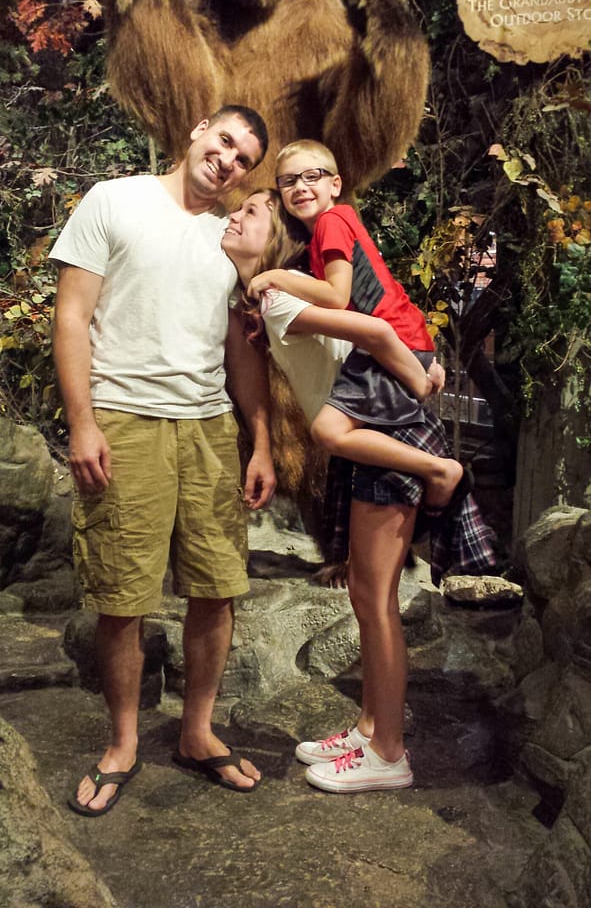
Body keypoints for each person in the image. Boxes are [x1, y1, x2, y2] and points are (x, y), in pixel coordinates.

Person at [222, 189, 496, 793]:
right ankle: (370, 729)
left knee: (375, 603)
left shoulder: (281, 295)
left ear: (271, 243)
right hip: (371, 430)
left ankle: (389, 754)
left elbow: (373, 329)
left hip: (386, 431)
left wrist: (416, 374)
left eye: (250, 212)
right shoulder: (269, 304)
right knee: (368, 600)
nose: (233, 216)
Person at [51, 105, 276, 814]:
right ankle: (122, 741)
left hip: (209, 427)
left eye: (243, 160)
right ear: (198, 128)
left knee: (216, 585)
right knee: (123, 594)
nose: (228, 161)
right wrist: (82, 422)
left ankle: (196, 731)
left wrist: (260, 439)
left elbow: (241, 350)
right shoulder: (115, 200)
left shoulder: (232, 238)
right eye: (226, 141)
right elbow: (71, 316)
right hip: (124, 419)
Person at [247, 139, 470, 515]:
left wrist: (275, 276)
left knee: (327, 431)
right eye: (288, 181)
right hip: (401, 341)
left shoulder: (332, 222)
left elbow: (335, 296)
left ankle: (440, 471)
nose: (300, 187)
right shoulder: (333, 227)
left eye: (311, 176)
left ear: (335, 184)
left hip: (392, 344)